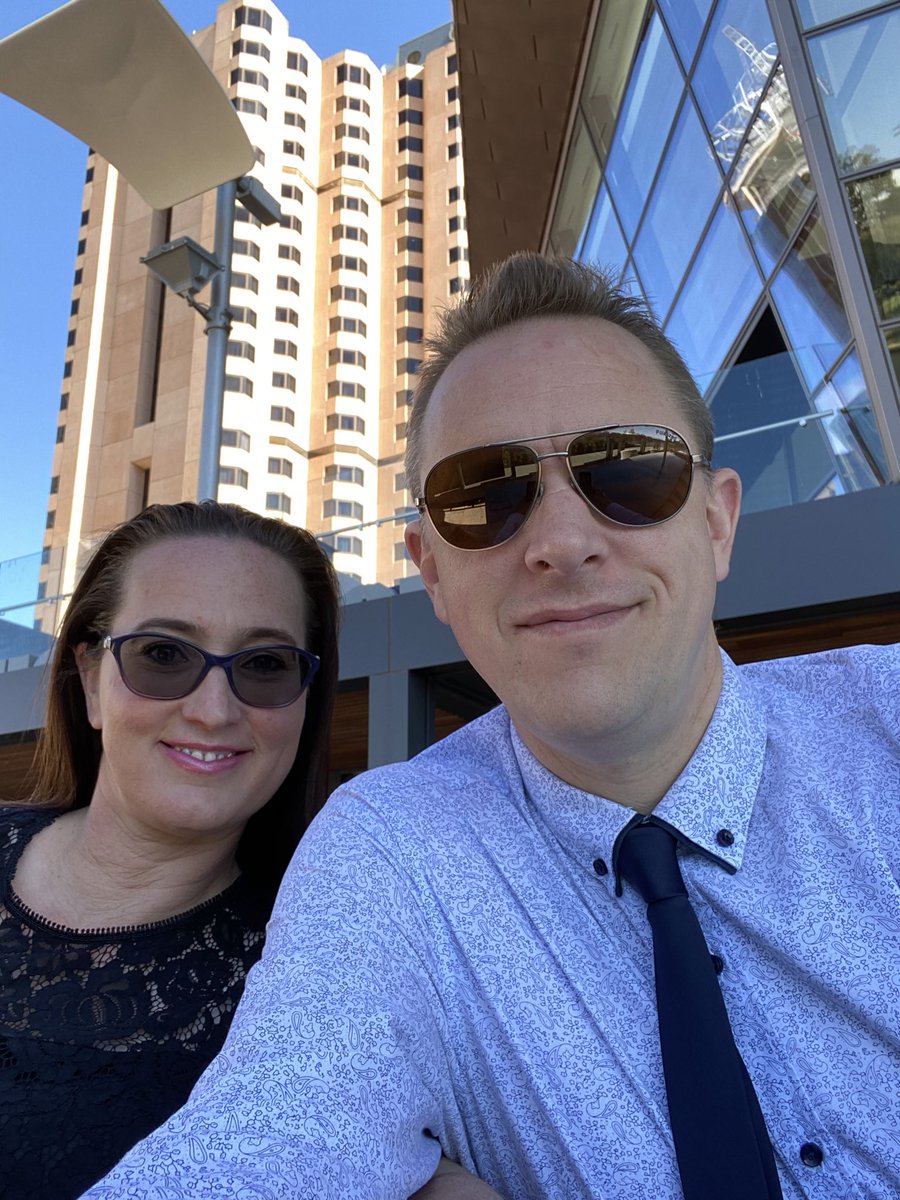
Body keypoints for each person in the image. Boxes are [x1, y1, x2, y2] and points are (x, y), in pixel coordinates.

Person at [85, 255, 900, 1199]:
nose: (560, 541)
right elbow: (271, 1133)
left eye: (627, 471)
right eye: (487, 496)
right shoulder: (391, 854)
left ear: (717, 524)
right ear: (431, 571)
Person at [0, 501, 339, 1199]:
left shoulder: (318, 982)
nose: (214, 709)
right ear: (91, 679)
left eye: (266, 663)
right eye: (163, 654)